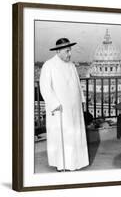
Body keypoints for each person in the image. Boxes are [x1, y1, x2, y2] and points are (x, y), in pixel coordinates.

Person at [39, 38, 89, 171]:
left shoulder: (72, 65)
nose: (69, 54)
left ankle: (76, 163)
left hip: (75, 108)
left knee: (75, 135)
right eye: (67, 51)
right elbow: (44, 87)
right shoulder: (48, 65)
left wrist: (81, 101)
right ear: (59, 51)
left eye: (70, 51)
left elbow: (77, 85)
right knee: (63, 136)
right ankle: (62, 165)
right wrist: (55, 103)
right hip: (60, 109)